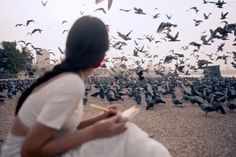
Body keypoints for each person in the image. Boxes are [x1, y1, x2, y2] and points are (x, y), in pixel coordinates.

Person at [1, 16, 171, 157]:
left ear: (67, 49)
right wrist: (94, 131)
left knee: (124, 133)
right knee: (129, 136)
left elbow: (59, 130)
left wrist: (100, 119)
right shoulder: (71, 83)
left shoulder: (59, 76)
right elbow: (28, 151)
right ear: (100, 59)